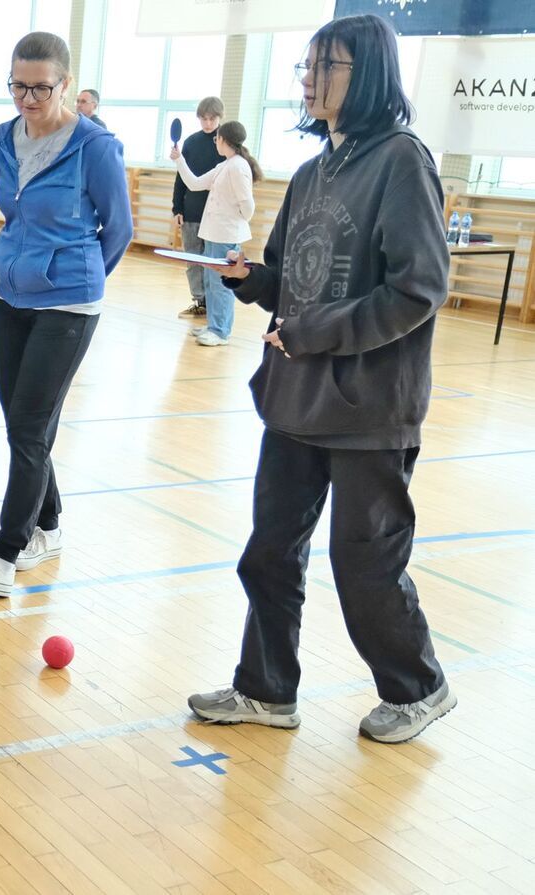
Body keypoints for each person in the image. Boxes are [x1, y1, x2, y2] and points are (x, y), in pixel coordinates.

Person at [186, 14, 456, 745]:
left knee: (364, 565)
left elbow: (418, 288)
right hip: (295, 399)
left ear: (363, 74)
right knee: (270, 551)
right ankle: (267, 689)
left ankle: (419, 684)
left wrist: (314, 332)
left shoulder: (401, 161)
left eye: (322, 67)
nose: (305, 80)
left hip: (369, 404)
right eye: (303, 67)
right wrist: (250, 280)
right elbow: (293, 283)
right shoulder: (311, 172)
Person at [0, 32, 132, 596]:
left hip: (68, 303)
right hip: (10, 295)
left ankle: (4, 553)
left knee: (26, 428)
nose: (27, 98)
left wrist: (80, 277)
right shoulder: (4, 138)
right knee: (25, 425)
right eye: (18, 86)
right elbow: (16, 216)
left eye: (40, 87)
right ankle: (48, 524)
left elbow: (117, 231)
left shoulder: (95, 147)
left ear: (65, 84)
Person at [171, 120, 261, 347]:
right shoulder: (225, 165)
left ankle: (220, 331)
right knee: (211, 282)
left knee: (221, 284)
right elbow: (194, 183)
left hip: (226, 236)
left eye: (217, 138)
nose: (215, 142)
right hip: (213, 233)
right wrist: (179, 160)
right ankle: (213, 324)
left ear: (223, 139)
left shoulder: (238, 166)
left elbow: (247, 204)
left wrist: (237, 220)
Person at [171, 96, 224, 319]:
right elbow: (182, 178)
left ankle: (215, 304)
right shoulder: (191, 142)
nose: (207, 123)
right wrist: (177, 208)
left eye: (212, 119)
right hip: (191, 212)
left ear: (220, 118)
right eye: (203, 118)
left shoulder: (226, 144)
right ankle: (199, 301)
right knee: (193, 260)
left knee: (213, 263)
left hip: (217, 214)